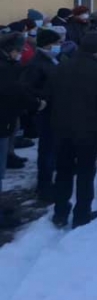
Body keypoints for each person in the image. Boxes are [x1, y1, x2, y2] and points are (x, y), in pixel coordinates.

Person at [49, 32, 97, 228]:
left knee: (63, 170)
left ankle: (60, 212)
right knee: (86, 172)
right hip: (89, 129)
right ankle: (82, 213)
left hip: (61, 127)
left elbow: (50, 94)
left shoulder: (61, 67)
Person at [0, 33, 46, 228]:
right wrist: (36, 103)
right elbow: (15, 92)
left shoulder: (8, 66)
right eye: (18, 50)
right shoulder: (4, 69)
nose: (20, 54)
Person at [19, 28, 62, 202]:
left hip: (57, 110)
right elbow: (27, 88)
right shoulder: (37, 63)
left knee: (53, 147)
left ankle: (50, 180)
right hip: (46, 112)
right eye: (57, 43)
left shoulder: (53, 59)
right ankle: (44, 187)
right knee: (47, 149)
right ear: (48, 44)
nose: (60, 46)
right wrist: (41, 100)